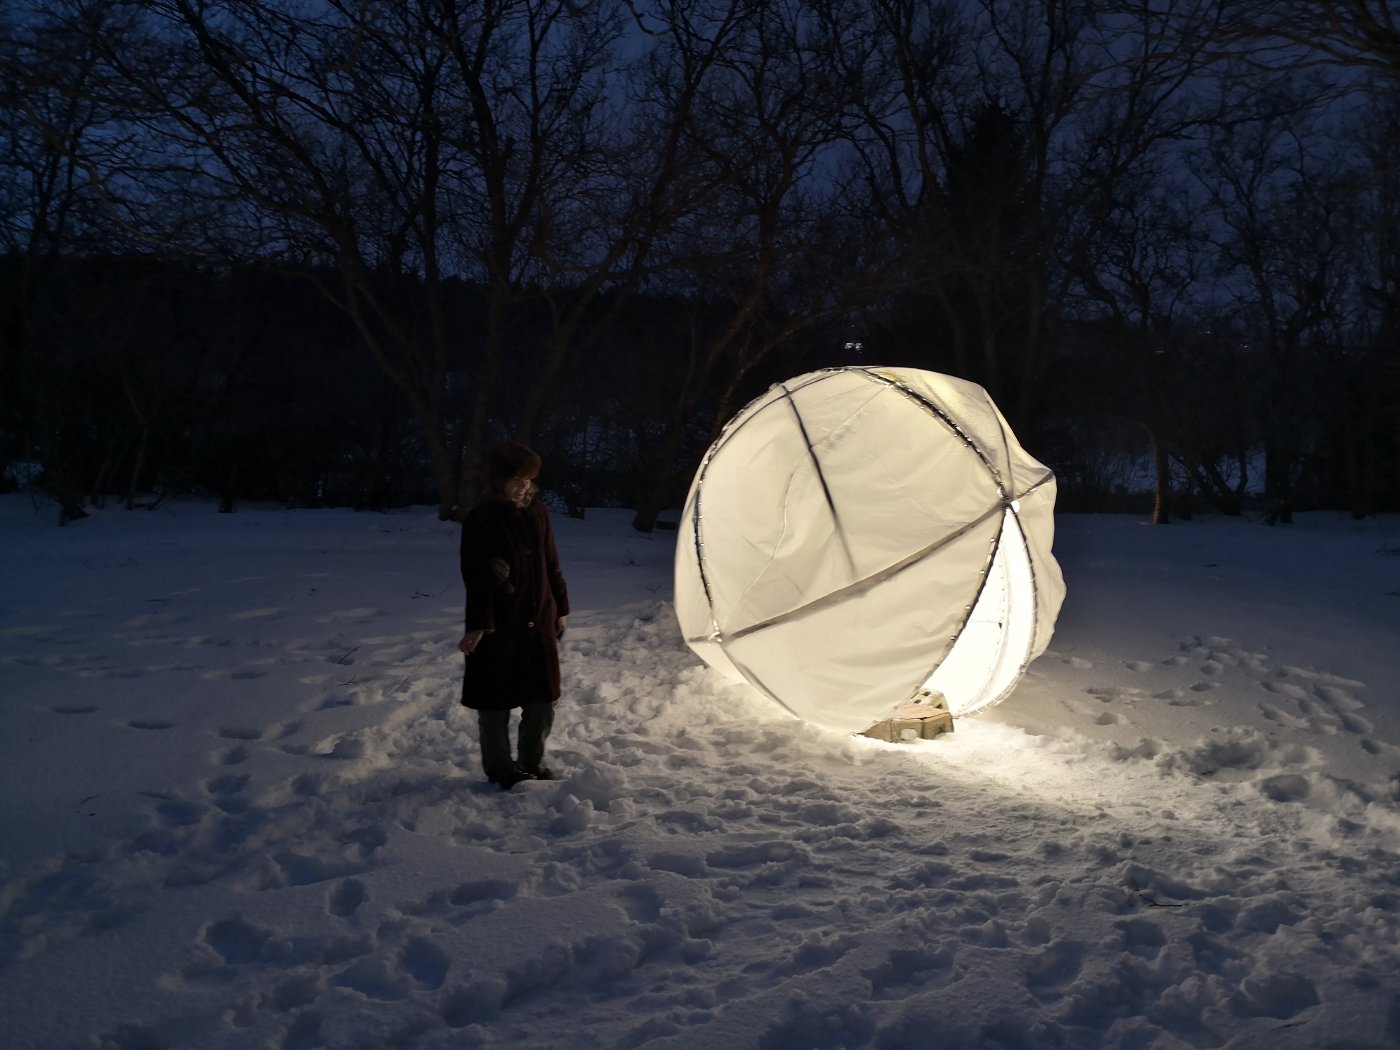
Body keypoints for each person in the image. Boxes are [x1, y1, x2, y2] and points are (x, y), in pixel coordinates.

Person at [458, 442, 570, 789]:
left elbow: (551, 562)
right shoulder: (482, 518)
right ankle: (501, 768)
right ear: (498, 480)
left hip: (540, 616)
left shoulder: (539, 513)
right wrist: (478, 624)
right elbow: (475, 574)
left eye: (528, 478)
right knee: (495, 700)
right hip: (501, 622)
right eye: (515, 478)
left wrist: (561, 608)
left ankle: (532, 764)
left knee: (541, 698)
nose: (523, 485)